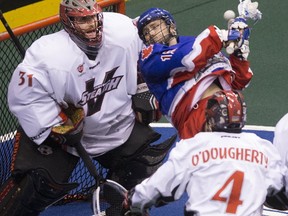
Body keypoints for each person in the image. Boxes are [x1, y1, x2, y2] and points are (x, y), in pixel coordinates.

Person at [0, 1, 176, 215]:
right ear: (68, 21)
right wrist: (55, 124)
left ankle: (120, 208)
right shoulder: (47, 55)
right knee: (32, 188)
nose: (91, 24)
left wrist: (143, 87)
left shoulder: (121, 30)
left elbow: (146, 52)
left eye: (93, 17)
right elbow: (24, 96)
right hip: (66, 141)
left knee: (141, 165)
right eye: (82, 19)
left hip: (116, 125)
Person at [122, 90, 287, 215]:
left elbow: (157, 188)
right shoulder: (263, 148)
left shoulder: (193, 147)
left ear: (210, 117)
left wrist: (132, 200)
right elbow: (281, 196)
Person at [135, 7, 255, 139]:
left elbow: (238, 82)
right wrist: (220, 35)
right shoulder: (149, 57)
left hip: (228, 113)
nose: (150, 33)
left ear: (171, 26)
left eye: (154, 26)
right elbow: (188, 58)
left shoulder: (201, 46)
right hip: (195, 117)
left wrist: (239, 56)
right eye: (146, 32)